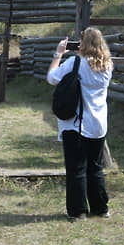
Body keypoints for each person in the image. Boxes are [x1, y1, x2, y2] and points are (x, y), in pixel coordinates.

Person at [46, 27, 113, 221]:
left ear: (83, 44)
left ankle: (78, 211)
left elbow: (52, 78)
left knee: (76, 169)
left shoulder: (74, 62)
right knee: (95, 168)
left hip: (76, 124)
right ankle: (100, 208)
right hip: (98, 125)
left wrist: (58, 54)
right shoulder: (107, 65)